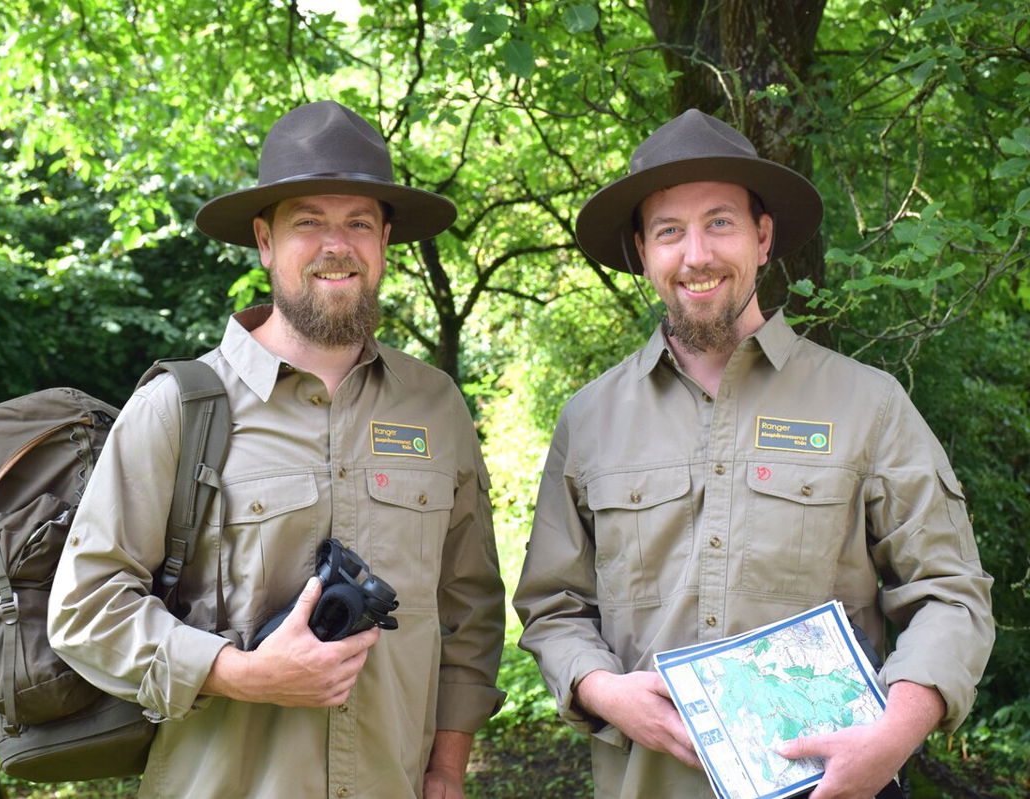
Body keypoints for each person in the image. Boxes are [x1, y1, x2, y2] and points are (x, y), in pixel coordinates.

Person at [513, 108, 994, 799]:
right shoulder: (589, 420)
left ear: (763, 238)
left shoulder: (870, 403)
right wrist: (600, 688)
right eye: (670, 231)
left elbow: (950, 592)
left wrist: (893, 733)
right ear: (642, 251)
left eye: (720, 223)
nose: (697, 255)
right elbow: (554, 604)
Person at [48, 100, 505, 799]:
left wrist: (445, 766)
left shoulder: (435, 405)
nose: (336, 244)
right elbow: (84, 607)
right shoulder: (180, 406)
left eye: (358, 222)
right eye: (308, 223)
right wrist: (240, 672)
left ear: (384, 239)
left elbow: (467, 607)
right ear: (265, 240)